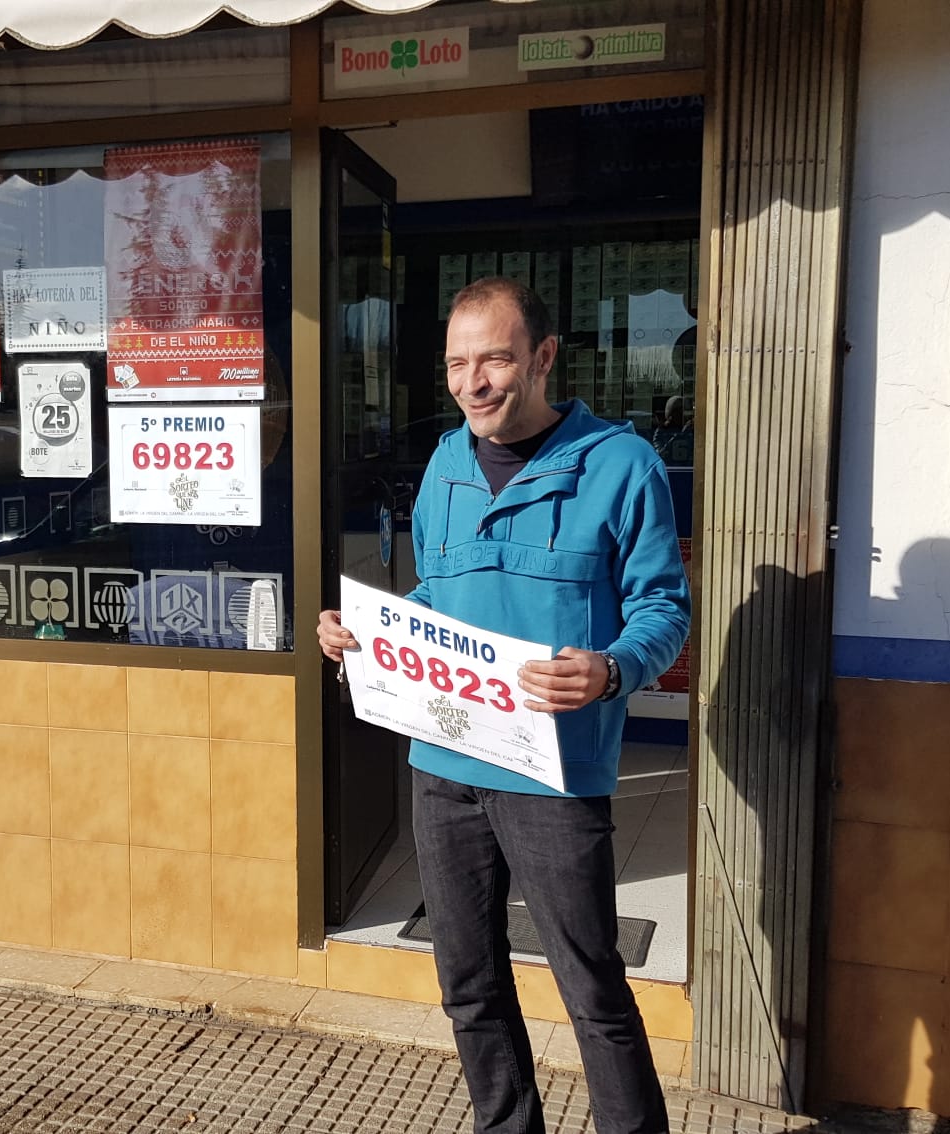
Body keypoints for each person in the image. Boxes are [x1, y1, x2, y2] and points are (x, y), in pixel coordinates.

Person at [317, 277, 689, 1134]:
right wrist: (371, 635)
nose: (473, 381)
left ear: (543, 357)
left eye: (495, 358)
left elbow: (664, 612)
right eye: (456, 362)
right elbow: (443, 600)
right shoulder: (446, 464)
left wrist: (610, 669)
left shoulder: (621, 465)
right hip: (444, 766)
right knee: (468, 981)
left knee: (591, 986)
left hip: (554, 772)